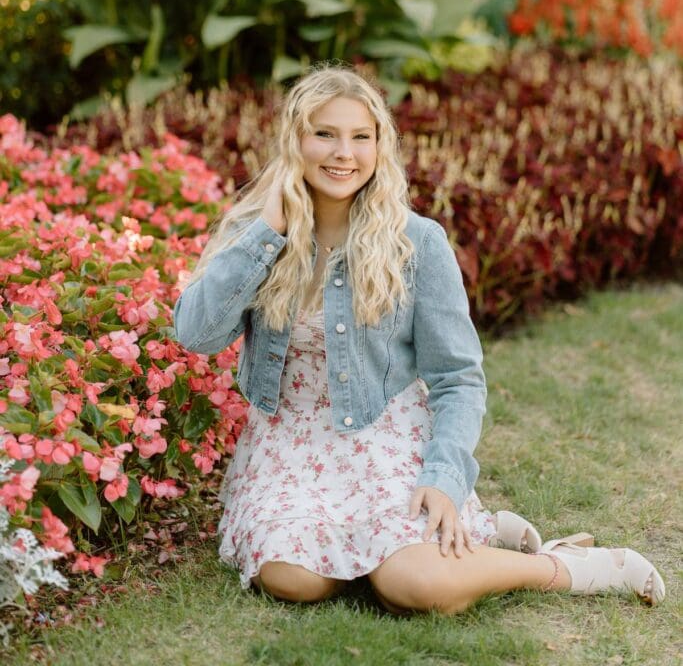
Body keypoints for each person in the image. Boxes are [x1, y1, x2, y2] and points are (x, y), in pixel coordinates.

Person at [173, 64, 665, 614]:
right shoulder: (255, 234)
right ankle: (458, 539)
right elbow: (196, 334)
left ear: (380, 146)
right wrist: (268, 233)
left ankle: (566, 565)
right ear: (295, 141)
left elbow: (457, 378)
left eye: (362, 136)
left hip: (384, 442)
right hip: (289, 448)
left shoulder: (417, 243)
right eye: (325, 134)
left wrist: (443, 474)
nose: (344, 153)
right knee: (291, 578)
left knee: (416, 587)